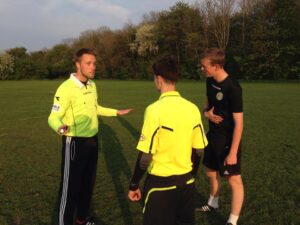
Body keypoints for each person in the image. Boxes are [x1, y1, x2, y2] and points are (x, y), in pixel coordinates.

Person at [48, 48, 132, 225]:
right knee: (70, 188)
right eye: (88, 63)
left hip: (92, 141)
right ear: (77, 64)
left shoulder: (92, 85)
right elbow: (53, 116)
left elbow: (96, 108)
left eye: (94, 63)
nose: (93, 67)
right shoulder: (66, 88)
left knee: (88, 184)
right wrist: (60, 127)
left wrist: (116, 112)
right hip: (74, 143)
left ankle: (82, 219)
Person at [127, 56, 208, 225]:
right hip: (186, 184)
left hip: (160, 186)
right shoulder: (192, 108)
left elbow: (145, 158)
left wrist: (134, 184)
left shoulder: (154, 110)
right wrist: (191, 175)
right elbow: (199, 150)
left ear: (159, 79)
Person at [197, 48, 244, 225]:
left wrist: (232, 153)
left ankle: (232, 220)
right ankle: (213, 202)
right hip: (213, 136)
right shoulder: (209, 82)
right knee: (210, 170)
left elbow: (239, 123)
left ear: (216, 66)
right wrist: (207, 115)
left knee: (234, 180)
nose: (202, 69)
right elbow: (206, 108)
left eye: (204, 66)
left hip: (228, 141)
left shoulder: (233, 88)